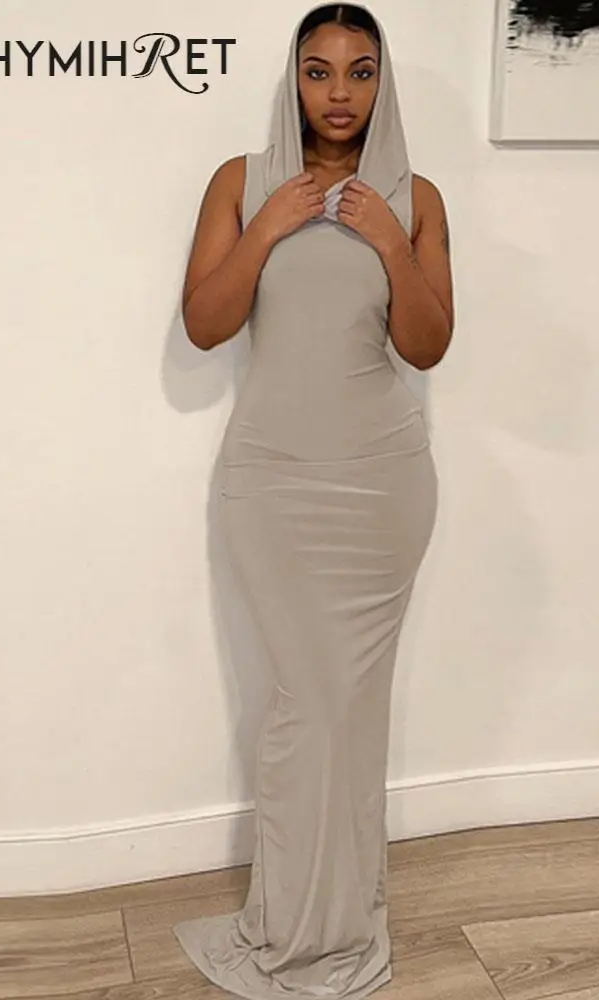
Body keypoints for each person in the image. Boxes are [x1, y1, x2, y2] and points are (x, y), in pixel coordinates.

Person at [172, 4, 454, 998]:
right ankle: (300, 930)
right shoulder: (240, 181)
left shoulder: (414, 196)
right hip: (272, 484)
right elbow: (205, 323)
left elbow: (427, 345)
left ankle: (339, 925)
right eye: (319, 70)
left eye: (360, 71)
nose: (339, 93)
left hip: (383, 484)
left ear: (383, 83)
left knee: (352, 715)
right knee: (307, 708)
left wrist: (390, 242)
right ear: (293, 80)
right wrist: (268, 228)